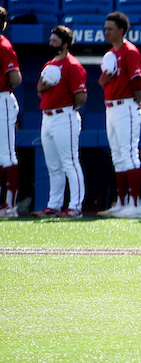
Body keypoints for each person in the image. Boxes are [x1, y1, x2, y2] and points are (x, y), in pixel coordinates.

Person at [35, 25, 86, 218]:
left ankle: (75, 207)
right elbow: (41, 92)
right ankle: (54, 204)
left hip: (65, 116)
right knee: (53, 164)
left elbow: (81, 97)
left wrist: (66, 110)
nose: (50, 43)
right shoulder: (49, 65)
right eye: (50, 40)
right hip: (47, 116)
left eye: (54, 40)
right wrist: (41, 87)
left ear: (64, 44)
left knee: (70, 162)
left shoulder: (72, 65)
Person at [97, 12, 141, 219]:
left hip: (127, 105)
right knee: (117, 155)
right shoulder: (111, 53)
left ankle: (134, 205)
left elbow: (137, 82)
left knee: (128, 153)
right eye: (105, 28)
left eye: (110, 29)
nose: (106, 32)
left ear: (121, 30)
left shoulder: (129, 51)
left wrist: (136, 102)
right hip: (112, 107)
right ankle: (122, 202)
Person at [0, 7, 23, 218]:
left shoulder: (4, 46)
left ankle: (11, 205)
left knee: (7, 154)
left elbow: (16, 79)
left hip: (3, 99)